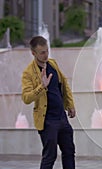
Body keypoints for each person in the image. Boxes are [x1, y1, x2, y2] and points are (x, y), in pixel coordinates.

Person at [21, 36, 76, 169]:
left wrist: (70, 104)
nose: (46, 55)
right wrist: (42, 86)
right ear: (33, 53)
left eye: (47, 51)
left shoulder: (53, 63)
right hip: (47, 120)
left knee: (69, 151)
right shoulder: (28, 73)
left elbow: (64, 84)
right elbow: (26, 98)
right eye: (42, 52)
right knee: (50, 156)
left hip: (61, 117)